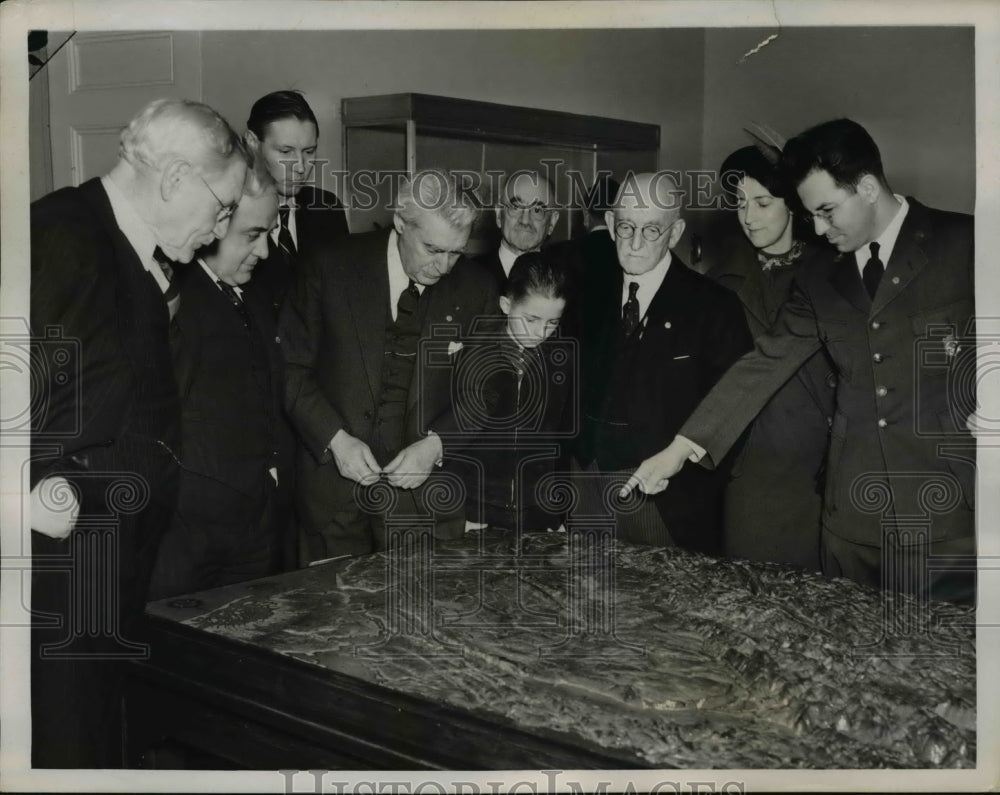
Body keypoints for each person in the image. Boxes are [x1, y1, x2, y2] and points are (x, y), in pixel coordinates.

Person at [625, 119, 975, 604]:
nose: (820, 229)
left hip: (947, 517)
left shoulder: (966, 242)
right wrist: (681, 449)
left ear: (867, 188)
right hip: (850, 523)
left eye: (827, 211)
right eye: (812, 216)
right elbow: (765, 361)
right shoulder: (822, 275)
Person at [29, 97, 246, 767]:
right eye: (222, 208)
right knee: (64, 753)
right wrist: (24, 494)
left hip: (111, 571)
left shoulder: (132, 252)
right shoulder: (62, 235)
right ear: (176, 178)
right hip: (62, 576)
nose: (219, 230)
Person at [280, 169, 499, 563]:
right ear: (400, 221)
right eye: (432, 249)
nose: (445, 267)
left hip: (422, 504)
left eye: (456, 252)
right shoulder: (329, 266)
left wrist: (436, 445)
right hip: (332, 498)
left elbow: (484, 391)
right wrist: (335, 439)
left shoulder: (477, 289)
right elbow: (290, 369)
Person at [572, 172, 752, 554]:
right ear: (610, 224)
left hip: (667, 505)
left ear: (675, 234)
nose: (635, 243)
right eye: (626, 227)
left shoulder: (714, 308)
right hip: (585, 487)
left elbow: (736, 412)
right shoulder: (585, 291)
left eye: (652, 230)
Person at [148, 155, 291, 600]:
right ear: (214, 223)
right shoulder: (170, 304)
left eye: (270, 233)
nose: (264, 251)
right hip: (184, 540)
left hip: (253, 529)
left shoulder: (255, 294)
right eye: (252, 234)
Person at [707, 145, 836, 570]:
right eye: (740, 203)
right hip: (753, 469)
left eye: (762, 203)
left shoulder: (837, 272)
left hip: (824, 467)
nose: (748, 217)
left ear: (793, 204)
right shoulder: (718, 284)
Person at [457, 251, 574, 533]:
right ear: (506, 305)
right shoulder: (471, 354)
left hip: (535, 514)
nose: (541, 332)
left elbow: (558, 443)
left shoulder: (561, 360)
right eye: (531, 319)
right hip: (475, 511)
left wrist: (557, 515)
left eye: (552, 323)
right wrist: (455, 516)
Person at [245, 89, 349, 318]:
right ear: (252, 143)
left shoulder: (327, 208)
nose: (301, 167)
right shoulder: (229, 214)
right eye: (285, 151)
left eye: (309, 152)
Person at [479, 170, 560, 288]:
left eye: (537, 210)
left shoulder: (568, 283)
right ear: (499, 214)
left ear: (552, 221)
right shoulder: (468, 275)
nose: (525, 220)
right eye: (515, 207)